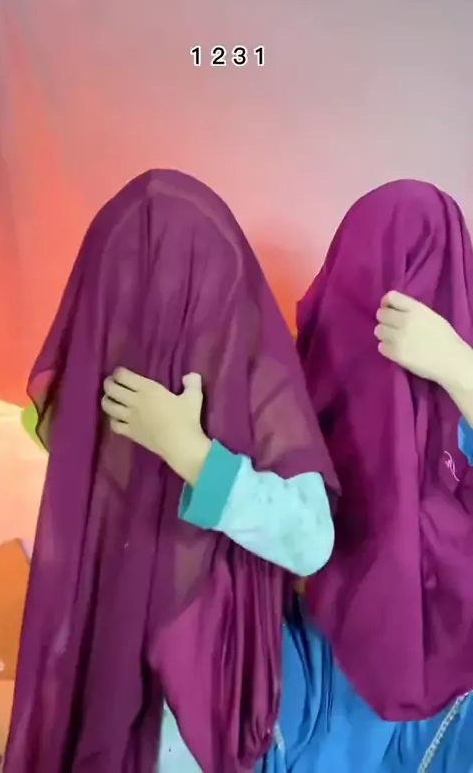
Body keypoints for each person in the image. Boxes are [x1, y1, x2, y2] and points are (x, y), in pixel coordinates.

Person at [106, 180, 473, 771]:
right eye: (385, 283)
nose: (402, 311)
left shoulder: (455, 428)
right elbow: (276, 534)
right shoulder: (293, 394)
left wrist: (459, 368)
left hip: (438, 698)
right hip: (302, 677)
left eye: (429, 279)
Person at [4, 169, 338, 773]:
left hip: (201, 696)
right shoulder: (103, 377)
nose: (156, 316)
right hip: (103, 665)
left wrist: (194, 455)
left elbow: (311, 539)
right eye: (131, 291)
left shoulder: (257, 386)